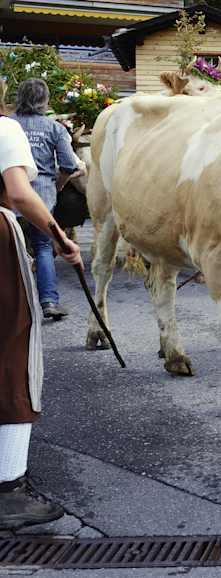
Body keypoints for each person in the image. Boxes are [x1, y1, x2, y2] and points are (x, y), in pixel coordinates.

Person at [1, 77, 81, 530]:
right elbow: (17, 191)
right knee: (13, 349)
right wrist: (62, 236)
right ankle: (8, 489)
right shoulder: (6, 129)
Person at [9, 79, 81, 320]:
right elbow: (70, 165)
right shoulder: (55, 128)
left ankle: (12, 307)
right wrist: (57, 186)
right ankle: (49, 301)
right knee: (43, 247)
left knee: (8, 250)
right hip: (42, 198)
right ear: (45, 100)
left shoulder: (8, 125)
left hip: (8, 198)